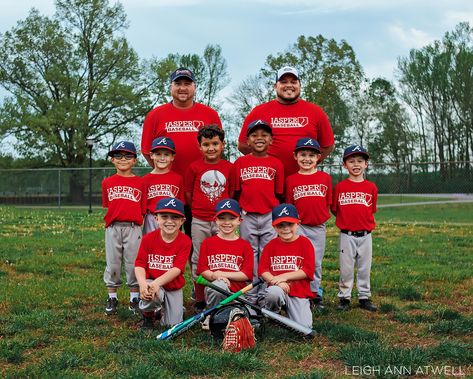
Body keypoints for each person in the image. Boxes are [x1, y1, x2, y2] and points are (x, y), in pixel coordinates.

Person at [141, 67, 222, 236]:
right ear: (171, 87)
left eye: (187, 83)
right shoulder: (155, 115)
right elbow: (147, 150)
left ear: (195, 87)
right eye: (178, 83)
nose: (182, 88)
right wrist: (164, 172)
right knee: (166, 237)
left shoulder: (209, 114)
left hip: (201, 188)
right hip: (168, 187)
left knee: (199, 239)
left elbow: (217, 147)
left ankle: (196, 264)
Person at [238, 66, 335, 177]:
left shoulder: (316, 112)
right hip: (268, 181)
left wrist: (309, 163)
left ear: (300, 85)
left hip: (302, 182)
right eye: (283, 82)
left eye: (294, 82)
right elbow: (243, 145)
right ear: (275, 86)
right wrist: (262, 162)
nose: (289, 85)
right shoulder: (259, 112)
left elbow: (328, 146)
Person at [185, 125, 235, 312]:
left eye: (215, 143)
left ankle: (223, 292)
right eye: (206, 144)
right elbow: (189, 193)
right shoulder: (194, 167)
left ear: (222, 145)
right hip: (199, 219)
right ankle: (200, 297)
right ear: (200, 147)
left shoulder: (229, 167)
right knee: (198, 258)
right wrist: (198, 209)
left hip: (222, 221)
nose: (211, 148)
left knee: (223, 256)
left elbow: (231, 193)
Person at [233, 120, 284, 292]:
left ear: (271, 139)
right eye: (254, 135)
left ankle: (267, 291)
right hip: (247, 214)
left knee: (268, 252)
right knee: (250, 253)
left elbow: (279, 193)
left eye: (264, 135)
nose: (259, 138)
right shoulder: (240, 163)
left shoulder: (276, 163)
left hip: (269, 214)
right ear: (247, 141)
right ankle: (251, 292)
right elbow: (237, 191)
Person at [285, 137, 332, 310]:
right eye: (303, 154)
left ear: (318, 157)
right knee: (298, 260)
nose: (307, 158)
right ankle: (297, 291)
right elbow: (290, 205)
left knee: (316, 262)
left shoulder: (325, 178)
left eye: (312, 155)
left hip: (318, 226)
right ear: (295, 156)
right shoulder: (291, 180)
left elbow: (327, 202)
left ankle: (315, 293)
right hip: (299, 226)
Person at [331, 145, 378, 312]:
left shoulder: (371, 187)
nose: (356, 164)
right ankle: (344, 297)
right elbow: (335, 209)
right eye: (351, 161)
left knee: (365, 267)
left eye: (360, 161)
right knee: (346, 268)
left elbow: (371, 209)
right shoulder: (340, 187)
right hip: (347, 234)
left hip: (366, 235)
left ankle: (364, 296)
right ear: (345, 165)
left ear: (366, 164)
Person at [101, 141, 146, 316]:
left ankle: (134, 298)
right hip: (113, 227)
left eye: (128, 156)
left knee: (133, 263)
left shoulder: (140, 183)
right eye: (118, 156)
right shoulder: (107, 182)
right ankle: (112, 297)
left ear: (134, 160)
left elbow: (142, 208)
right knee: (112, 262)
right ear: (112, 160)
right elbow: (108, 205)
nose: (123, 159)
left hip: (133, 227)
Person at [134, 198, 192, 329]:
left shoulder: (185, 241)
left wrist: (156, 283)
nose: (169, 221)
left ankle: (168, 310)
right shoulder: (148, 238)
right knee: (150, 292)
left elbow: (177, 269)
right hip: (152, 282)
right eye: (164, 216)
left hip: (173, 286)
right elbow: (140, 264)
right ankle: (148, 315)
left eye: (175, 217)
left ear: (182, 220)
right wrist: (143, 284)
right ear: (156, 218)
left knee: (172, 325)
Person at [197, 198, 253, 329]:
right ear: (215, 220)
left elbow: (246, 274)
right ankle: (212, 315)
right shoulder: (208, 243)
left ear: (239, 221)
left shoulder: (245, 245)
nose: (227, 222)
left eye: (232, 218)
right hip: (215, 290)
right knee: (220, 285)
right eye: (222, 218)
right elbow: (202, 269)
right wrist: (216, 277)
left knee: (249, 319)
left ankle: (228, 314)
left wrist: (223, 274)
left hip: (237, 294)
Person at [258, 203, 315, 328]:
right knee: (274, 293)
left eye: (290, 224)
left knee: (304, 327)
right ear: (274, 227)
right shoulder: (270, 246)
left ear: (298, 223)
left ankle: (295, 311)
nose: (286, 229)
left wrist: (284, 276)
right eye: (281, 225)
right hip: (277, 289)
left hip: (298, 292)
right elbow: (263, 270)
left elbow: (307, 270)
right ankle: (273, 314)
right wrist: (277, 282)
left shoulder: (305, 243)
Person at [141, 137, 184, 235]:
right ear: (151, 155)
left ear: (172, 157)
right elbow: (142, 208)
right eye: (158, 154)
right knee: (151, 245)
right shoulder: (144, 180)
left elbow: (181, 204)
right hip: (152, 218)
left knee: (172, 245)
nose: (162, 158)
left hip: (172, 218)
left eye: (166, 154)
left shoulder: (178, 179)